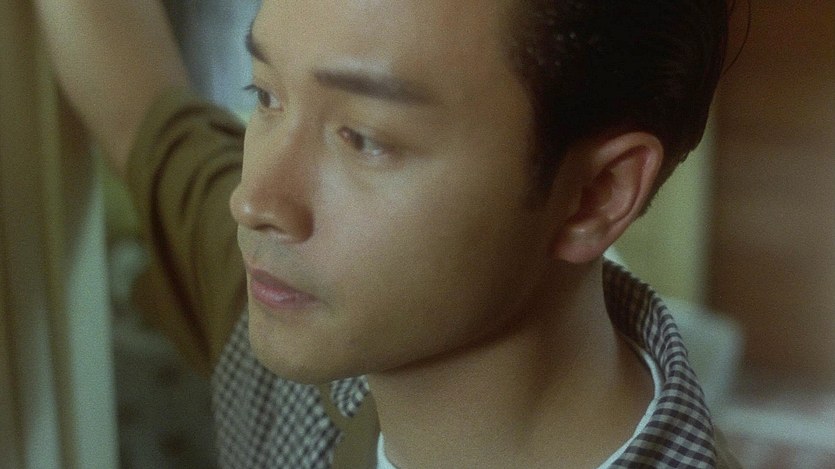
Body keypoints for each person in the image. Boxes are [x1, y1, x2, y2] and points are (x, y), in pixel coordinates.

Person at [34, 0, 741, 467]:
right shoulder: (299, 337)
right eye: (266, 95)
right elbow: (138, 114)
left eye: (364, 138)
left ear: (594, 196)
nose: (253, 202)